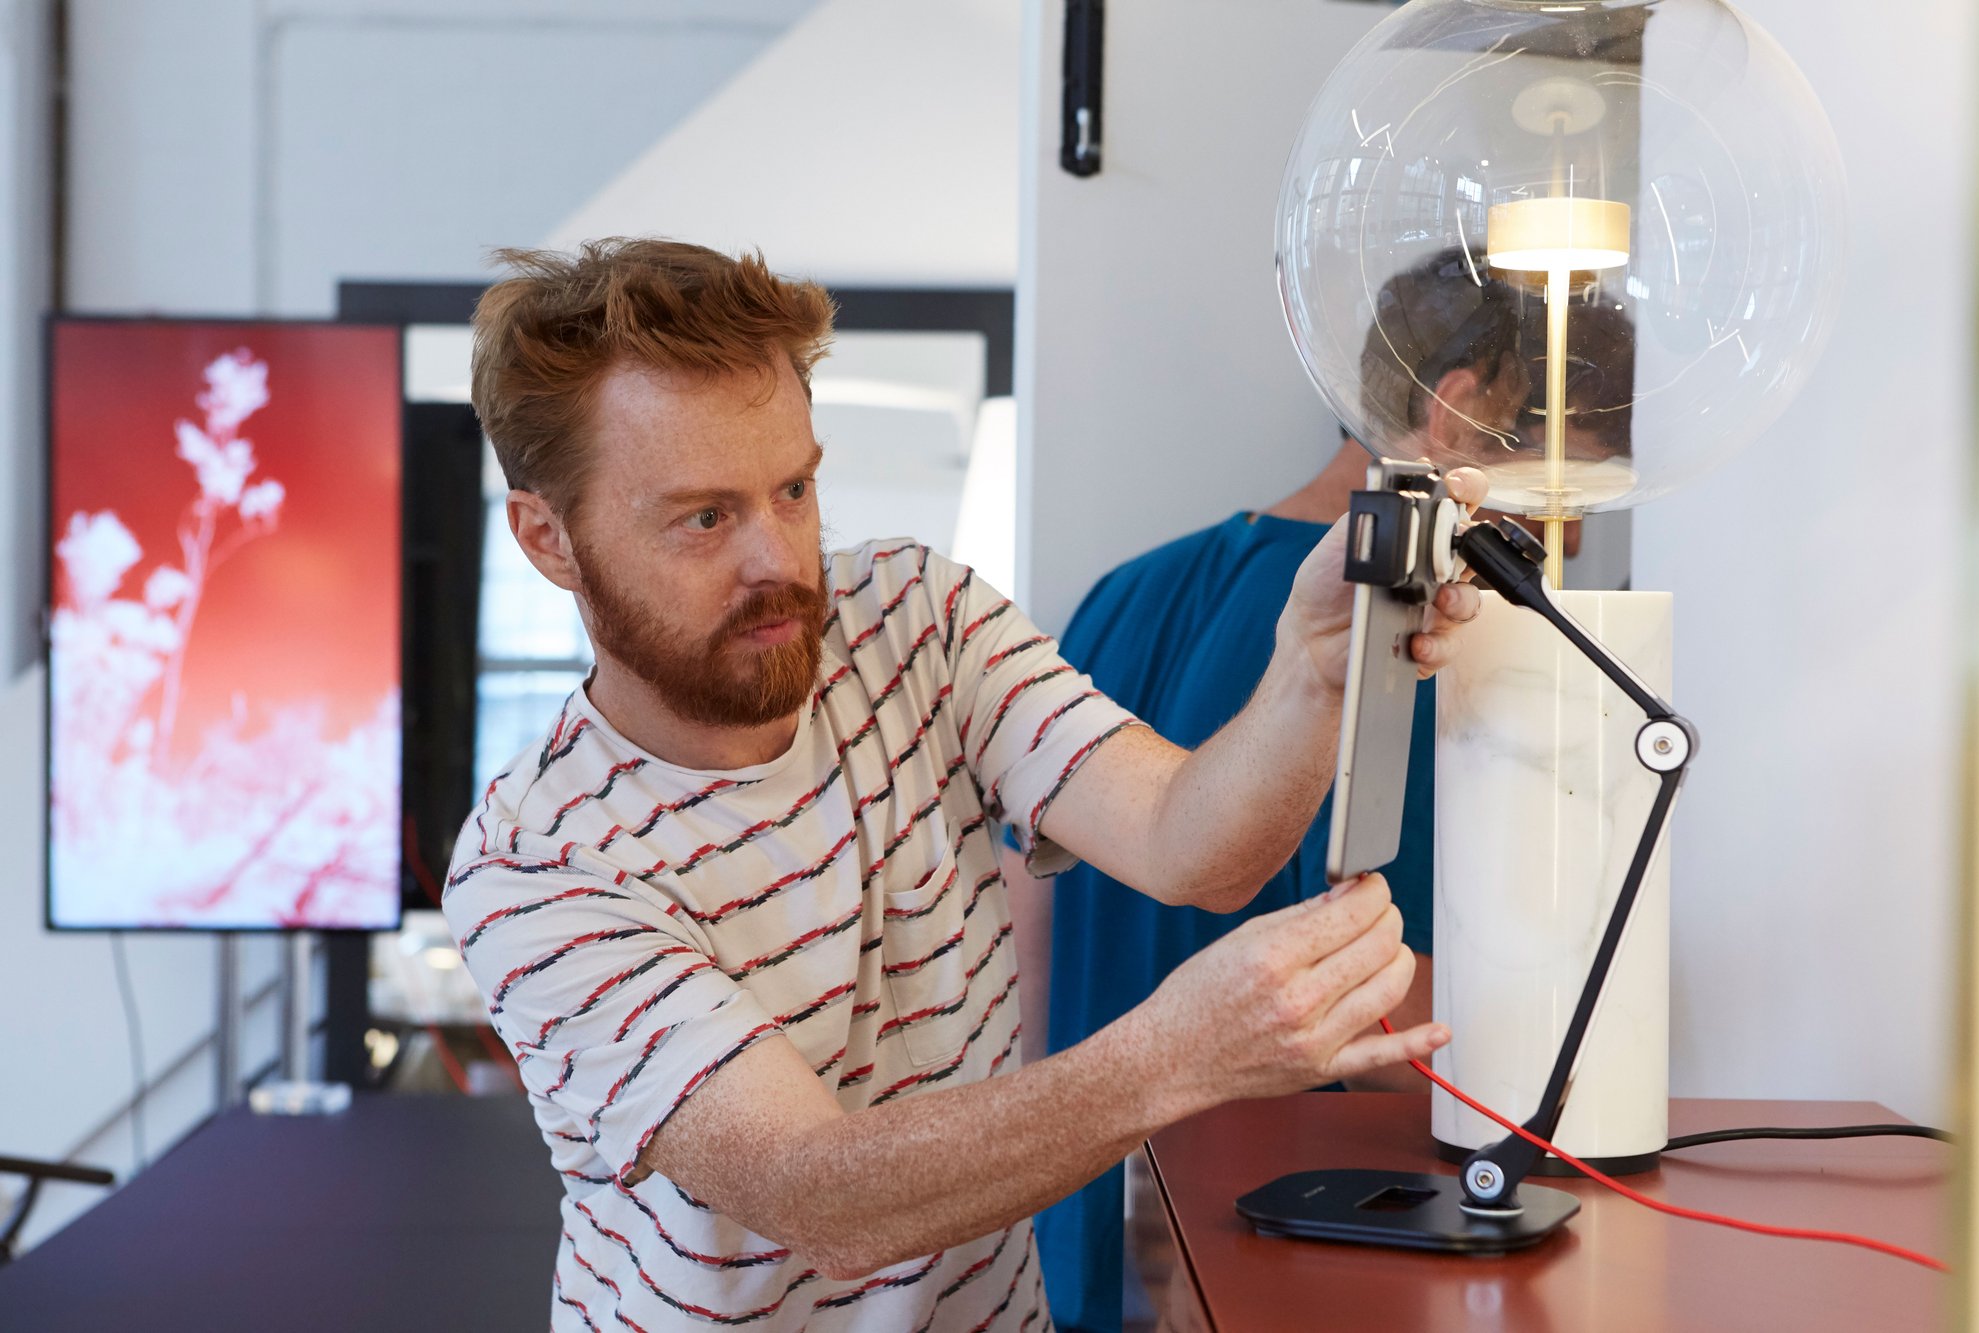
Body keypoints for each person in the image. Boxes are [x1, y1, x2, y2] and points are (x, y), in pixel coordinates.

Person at [443, 237, 1486, 1332]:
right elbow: (822, 1195)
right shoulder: (537, 863)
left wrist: (1312, 670)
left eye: (794, 487)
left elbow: (1193, 846)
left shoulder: (910, 617)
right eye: (705, 517)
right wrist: (1176, 1054)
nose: (780, 561)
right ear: (548, 539)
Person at [1017, 247, 1542, 1333]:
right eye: (1555, 462)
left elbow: (1029, 924)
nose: (1561, 529)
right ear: (1454, 419)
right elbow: (1397, 1028)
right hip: (1273, 1267)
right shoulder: (1419, 638)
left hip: (1079, 1252)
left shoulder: (1121, 595)